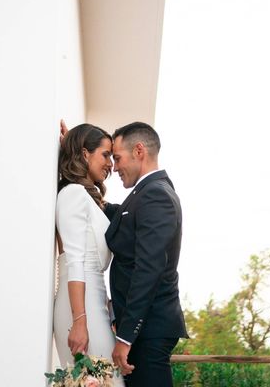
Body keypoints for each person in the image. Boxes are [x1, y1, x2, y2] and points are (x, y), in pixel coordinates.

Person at [105, 122, 188, 386]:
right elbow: (124, 218)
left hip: (149, 329)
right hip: (147, 328)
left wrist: (125, 337)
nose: (114, 167)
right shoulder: (148, 192)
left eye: (117, 158)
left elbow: (148, 269)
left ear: (139, 151)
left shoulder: (156, 195)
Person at [53, 123, 124, 386]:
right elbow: (75, 261)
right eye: (105, 155)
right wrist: (80, 322)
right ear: (85, 154)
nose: (111, 164)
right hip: (80, 310)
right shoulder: (73, 194)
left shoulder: (87, 197)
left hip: (93, 307)